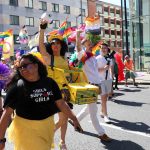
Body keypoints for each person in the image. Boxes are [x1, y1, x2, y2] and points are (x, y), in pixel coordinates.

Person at [0, 54, 82, 150]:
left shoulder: (50, 83)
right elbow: (6, 115)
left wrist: (74, 119)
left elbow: (61, 103)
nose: (23, 69)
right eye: (21, 67)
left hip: (47, 127)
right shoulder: (18, 87)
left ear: (36, 65)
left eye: (26, 65)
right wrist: (1, 140)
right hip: (26, 129)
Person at [39, 19, 75, 150]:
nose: (55, 45)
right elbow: (41, 47)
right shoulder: (49, 57)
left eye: (58, 43)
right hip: (51, 93)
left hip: (65, 92)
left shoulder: (65, 58)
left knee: (63, 119)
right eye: (53, 43)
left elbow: (68, 75)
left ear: (61, 46)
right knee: (51, 119)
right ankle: (47, 136)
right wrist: (42, 29)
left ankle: (62, 141)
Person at [73, 30, 111, 142]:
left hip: (97, 85)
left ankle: (76, 121)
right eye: (88, 44)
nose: (90, 45)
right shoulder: (82, 56)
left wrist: (103, 71)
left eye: (91, 44)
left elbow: (95, 71)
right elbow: (78, 47)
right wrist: (78, 36)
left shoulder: (93, 57)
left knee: (88, 109)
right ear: (84, 46)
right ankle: (101, 133)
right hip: (89, 86)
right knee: (93, 110)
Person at [96, 43, 113, 123]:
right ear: (100, 49)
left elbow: (110, 69)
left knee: (105, 98)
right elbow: (95, 70)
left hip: (108, 80)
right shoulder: (97, 58)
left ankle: (102, 111)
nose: (104, 49)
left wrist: (112, 79)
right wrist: (103, 68)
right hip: (100, 80)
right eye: (102, 48)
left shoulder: (110, 58)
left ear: (107, 49)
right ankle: (106, 115)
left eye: (105, 48)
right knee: (103, 98)